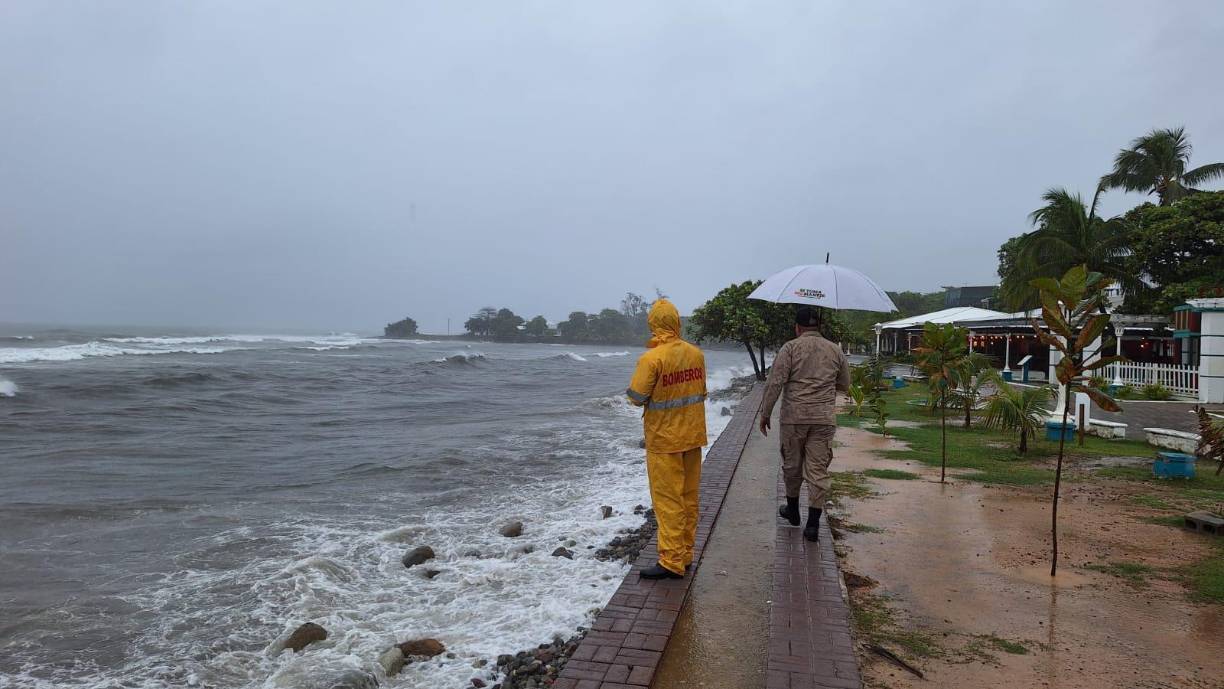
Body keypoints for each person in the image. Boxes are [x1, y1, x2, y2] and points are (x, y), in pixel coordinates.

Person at [625, 298, 707, 579]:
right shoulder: (696, 354)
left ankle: (671, 562)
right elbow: (701, 393)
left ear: (653, 324)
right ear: (676, 322)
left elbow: (636, 397)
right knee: (689, 498)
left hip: (664, 440)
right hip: (693, 436)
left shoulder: (651, 359)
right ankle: (685, 554)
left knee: (668, 501)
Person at [758, 305, 850, 542]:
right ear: (819, 326)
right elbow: (845, 384)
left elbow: (775, 382)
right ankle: (812, 525)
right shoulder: (835, 351)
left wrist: (765, 413)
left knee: (792, 465)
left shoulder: (790, 348)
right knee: (817, 470)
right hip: (823, 419)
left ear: (797, 328)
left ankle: (792, 510)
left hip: (794, 418)